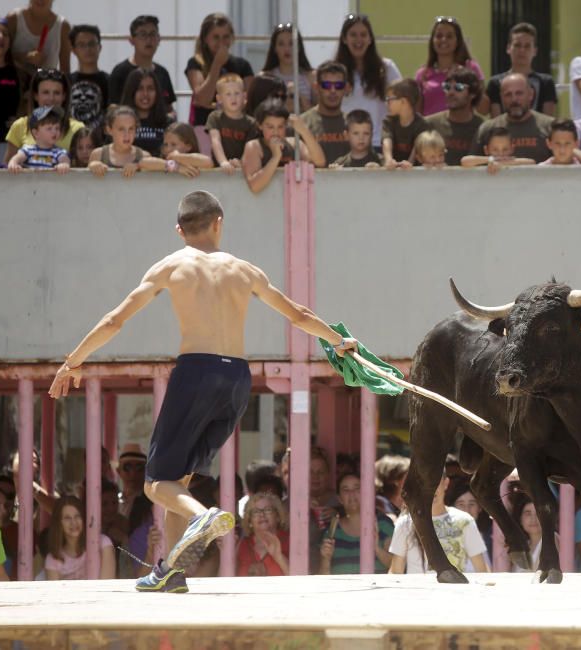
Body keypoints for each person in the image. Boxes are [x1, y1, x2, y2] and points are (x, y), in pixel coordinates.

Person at [48, 189, 361, 592]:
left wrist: (73, 360)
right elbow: (297, 314)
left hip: (196, 372)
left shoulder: (171, 266)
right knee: (176, 480)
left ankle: (202, 516)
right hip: (237, 379)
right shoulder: (245, 270)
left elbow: (114, 320)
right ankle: (170, 570)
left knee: (154, 484)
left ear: (179, 230)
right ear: (219, 223)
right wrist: (337, 339)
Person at [388, 474, 488, 575]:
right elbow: (396, 571)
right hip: (418, 591)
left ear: (446, 483)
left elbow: (482, 570)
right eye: (424, 483)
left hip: (456, 590)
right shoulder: (405, 523)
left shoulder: (465, 521)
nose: (430, 488)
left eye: (435, 481)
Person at [335, 14, 401, 149]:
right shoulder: (335, 71)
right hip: (345, 145)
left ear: (370, 39)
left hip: (378, 144)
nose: (358, 40)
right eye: (353, 34)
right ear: (344, 39)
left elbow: (401, 101)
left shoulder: (386, 67)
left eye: (363, 35)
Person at [242, 99, 325, 194]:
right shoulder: (254, 147)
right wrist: (276, 157)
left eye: (280, 127)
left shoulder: (294, 144)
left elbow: (320, 162)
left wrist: (304, 131)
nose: (276, 132)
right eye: (270, 127)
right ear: (260, 126)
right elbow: (255, 186)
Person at [185, 13, 254, 127]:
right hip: (205, 127)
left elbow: (250, 101)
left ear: (232, 38)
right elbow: (202, 99)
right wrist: (217, 64)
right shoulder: (195, 63)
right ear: (206, 39)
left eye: (226, 37)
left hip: (236, 129)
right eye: (216, 37)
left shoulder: (243, 65)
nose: (221, 42)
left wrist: (216, 105)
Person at [319, 473, 394, 575]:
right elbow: (323, 578)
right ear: (339, 499)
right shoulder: (332, 530)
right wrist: (325, 559)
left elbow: (396, 566)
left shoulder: (383, 524)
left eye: (357, 488)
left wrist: (376, 548)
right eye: (346, 490)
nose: (352, 493)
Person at [4, 67, 83, 163]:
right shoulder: (19, 126)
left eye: (57, 93)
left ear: (64, 96)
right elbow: (7, 168)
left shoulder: (78, 128)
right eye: (45, 92)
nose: (51, 98)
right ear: (35, 96)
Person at [472, 73, 553, 163]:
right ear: (501, 97)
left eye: (519, 93)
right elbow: (470, 168)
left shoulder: (550, 127)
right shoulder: (487, 129)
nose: (514, 99)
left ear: (531, 94)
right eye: (508, 94)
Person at [414, 16, 486, 116]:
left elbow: (483, 109)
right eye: (439, 36)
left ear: (458, 41)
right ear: (432, 41)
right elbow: (417, 113)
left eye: (449, 36)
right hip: (431, 130)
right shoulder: (422, 74)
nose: (443, 40)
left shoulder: (471, 67)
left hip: (463, 130)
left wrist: (466, 80)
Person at [108, 16, 176, 118]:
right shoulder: (120, 72)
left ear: (159, 39)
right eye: (143, 35)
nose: (148, 40)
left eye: (152, 34)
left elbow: (168, 108)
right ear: (131, 40)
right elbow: (112, 108)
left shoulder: (163, 72)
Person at [487, 23, 556, 118]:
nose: (522, 50)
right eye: (517, 45)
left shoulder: (546, 82)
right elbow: (496, 121)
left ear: (535, 51)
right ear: (508, 48)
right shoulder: (495, 83)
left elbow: (548, 122)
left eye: (527, 46)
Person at [44, 496, 116, 580]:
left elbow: (106, 586)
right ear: (59, 523)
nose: (73, 522)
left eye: (77, 516)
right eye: (67, 518)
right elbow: (55, 592)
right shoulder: (53, 559)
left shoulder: (103, 543)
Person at [424, 66, 485, 166]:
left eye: (458, 88)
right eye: (447, 87)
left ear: (472, 94)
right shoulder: (429, 124)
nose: (451, 93)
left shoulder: (483, 129)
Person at [299, 61, 351, 166]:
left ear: (346, 88)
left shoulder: (354, 124)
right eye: (326, 85)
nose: (332, 90)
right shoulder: (301, 124)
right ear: (316, 87)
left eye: (338, 85)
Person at [205, 73, 259, 173]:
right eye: (228, 94)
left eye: (237, 93)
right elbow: (215, 141)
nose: (233, 98)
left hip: (242, 170)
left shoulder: (251, 123)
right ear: (219, 99)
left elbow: (250, 148)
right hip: (218, 170)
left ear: (244, 96)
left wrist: (241, 163)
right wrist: (223, 162)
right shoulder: (215, 117)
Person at [262, 23, 317, 114]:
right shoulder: (266, 77)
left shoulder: (311, 77)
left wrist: (299, 97)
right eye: (281, 44)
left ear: (299, 47)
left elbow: (317, 114)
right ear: (274, 48)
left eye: (292, 43)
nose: (287, 49)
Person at [7, 0, 69, 76]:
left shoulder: (63, 26)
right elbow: (0, 56)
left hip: (47, 86)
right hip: (12, 84)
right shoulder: (14, 19)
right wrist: (26, 57)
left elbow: (65, 72)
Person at [65, 24, 107, 134]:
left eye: (92, 44)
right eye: (82, 45)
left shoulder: (110, 81)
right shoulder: (65, 81)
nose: (88, 49)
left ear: (100, 47)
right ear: (73, 49)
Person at [120, 67, 170, 157]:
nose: (145, 94)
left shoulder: (168, 123)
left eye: (150, 89)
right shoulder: (118, 122)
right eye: (140, 88)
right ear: (131, 91)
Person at [237, 491, 289, 577]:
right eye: (256, 512)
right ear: (250, 521)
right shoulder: (242, 544)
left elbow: (301, 583)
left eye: (268, 510)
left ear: (278, 516)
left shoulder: (290, 540)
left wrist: (279, 557)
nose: (262, 514)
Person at [7, 104, 70, 172]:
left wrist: (64, 165)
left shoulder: (58, 152)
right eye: (49, 128)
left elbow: (65, 160)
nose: (55, 131)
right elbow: (16, 158)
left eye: (57, 128)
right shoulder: (28, 150)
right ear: (36, 133)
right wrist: (13, 163)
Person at [381, 78, 428, 168]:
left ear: (403, 101)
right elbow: (387, 140)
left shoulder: (422, 124)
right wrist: (389, 160)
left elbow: (417, 148)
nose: (387, 103)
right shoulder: (389, 121)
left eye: (390, 99)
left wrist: (409, 163)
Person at [0, 17, 22, 143]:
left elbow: (33, 102)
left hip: (9, 144)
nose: (0, 37)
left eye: (5, 34)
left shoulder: (20, 74)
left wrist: (21, 120)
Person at [460, 126, 535, 174]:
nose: (501, 154)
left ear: (512, 148)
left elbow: (531, 162)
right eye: (495, 150)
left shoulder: (513, 162)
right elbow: (465, 161)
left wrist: (502, 163)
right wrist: (492, 159)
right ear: (486, 150)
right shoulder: (487, 161)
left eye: (505, 149)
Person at [115, 443, 147, 518]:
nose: (133, 474)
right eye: (127, 468)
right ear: (119, 471)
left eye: (139, 468)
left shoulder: (153, 503)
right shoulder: (112, 500)